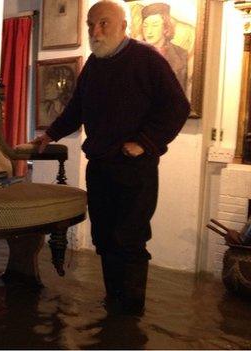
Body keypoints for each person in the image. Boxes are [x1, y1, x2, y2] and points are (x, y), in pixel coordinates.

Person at [31, 0, 190, 315]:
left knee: (129, 239)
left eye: (103, 23)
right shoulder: (94, 64)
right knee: (104, 237)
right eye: (91, 24)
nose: (95, 30)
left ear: (122, 26)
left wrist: (144, 142)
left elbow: (177, 108)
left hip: (135, 169)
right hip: (100, 167)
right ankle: (113, 301)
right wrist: (50, 135)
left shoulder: (147, 59)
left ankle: (129, 313)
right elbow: (76, 108)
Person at [140, 3, 188, 93]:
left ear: (165, 27)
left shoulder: (181, 55)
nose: (149, 31)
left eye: (155, 25)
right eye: (145, 26)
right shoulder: (134, 54)